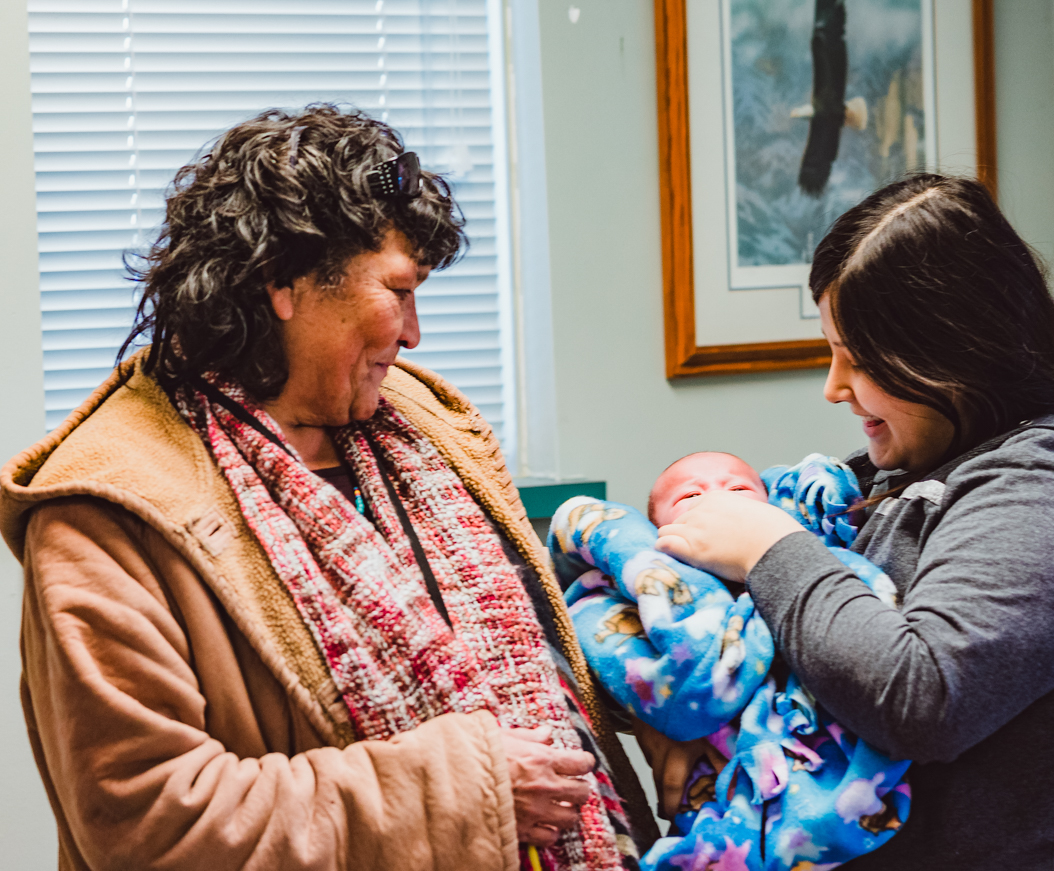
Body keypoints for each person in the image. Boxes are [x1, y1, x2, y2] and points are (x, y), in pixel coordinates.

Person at [0, 104, 656, 871]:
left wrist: (668, 712)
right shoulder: (107, 512)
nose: (414, 334)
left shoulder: (427, 426)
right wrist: (463, 788)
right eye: (397, 290)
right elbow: (148, 823)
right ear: (285, 281)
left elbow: (545, 667)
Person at [655, 174, 1054, 869]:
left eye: (858, 358)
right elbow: (813, 640)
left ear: (950, 352)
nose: (833, 387)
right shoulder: (901, 475)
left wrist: (768, 545)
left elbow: (923, 696)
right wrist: (680, 717)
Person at [553, 453, 907, 871]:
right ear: (659, 533)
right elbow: (634, 672)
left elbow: (874, 626)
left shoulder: (820, 556)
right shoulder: (635, 595)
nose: (719, 498)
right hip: (719, 780)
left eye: (739, 489)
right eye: (690, 495)